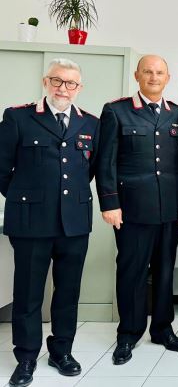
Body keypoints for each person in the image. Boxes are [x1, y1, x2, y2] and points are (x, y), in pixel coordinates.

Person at [0, 59, 100, 386]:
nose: (63, 88)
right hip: (31, 222)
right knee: (28, 293)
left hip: (74, 222)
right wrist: (26, 198)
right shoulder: (18, 117)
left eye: (71, 83)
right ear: (46, 82)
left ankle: (61, 352)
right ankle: (26, 358)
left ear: (79, 88)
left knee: (67, 292)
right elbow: (2, 169)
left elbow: (91, 170)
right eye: (57, 81)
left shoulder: (91, 124)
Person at [96, 55, 178, 365]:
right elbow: (105, 161)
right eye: (147, 71)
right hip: (131, 210)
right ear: (137, 75)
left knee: (165, 271)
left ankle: (162, 329)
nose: (153, 77)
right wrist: (110, 202)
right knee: (132, 272)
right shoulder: (116, 111)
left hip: (169, 209)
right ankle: (129, 333)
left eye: (159, 72)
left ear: (168, 78)